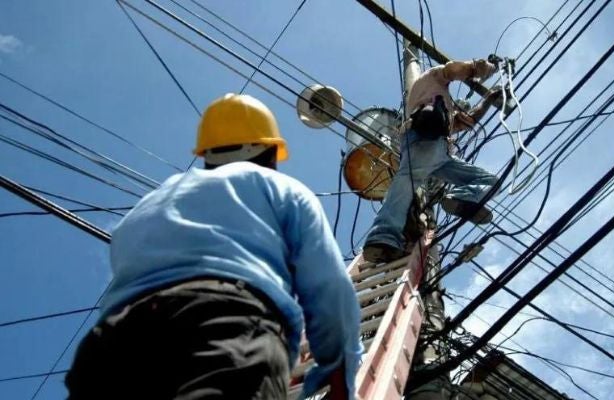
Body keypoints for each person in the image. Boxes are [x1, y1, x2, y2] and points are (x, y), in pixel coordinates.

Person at [65, 94, 362, 400]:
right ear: (269, 150)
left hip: (112, 341)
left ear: (207, 153)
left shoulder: (151, 202)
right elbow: (329, 289)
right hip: (225, 322)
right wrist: (340, 366)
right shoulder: (282, 189)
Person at [362, 58, 502, 263]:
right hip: (423, 138)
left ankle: (460, 198)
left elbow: (468, 121)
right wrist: (478, 68)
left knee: (492, 182)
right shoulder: (429, 81)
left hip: (442, 154)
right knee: (408, 180)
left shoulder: (445, 110)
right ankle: (383, 236)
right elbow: (452, 69)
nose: (460, 107)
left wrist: (489, 99)